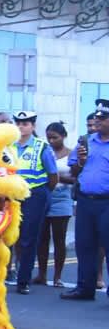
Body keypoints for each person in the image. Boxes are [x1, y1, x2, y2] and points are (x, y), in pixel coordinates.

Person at [63, 99, 109, 301]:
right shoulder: (85, 141)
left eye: (103, 118)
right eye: (96, 117)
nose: (97, 121)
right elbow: (73, 171)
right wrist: (80, 162)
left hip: (107, 202)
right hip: (85, 201)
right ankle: (84, 288)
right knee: (84, 245)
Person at [11, 111, 58, 295]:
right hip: (12, 195)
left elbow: (53, 175)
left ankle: (23, 280)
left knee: (28, 239)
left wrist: (44, 194)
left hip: (34, 195)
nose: (21, 127)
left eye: (25, 124)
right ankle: (5, 274)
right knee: (9, 237)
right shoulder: (8, 145)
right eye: (18, 123)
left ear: (33, 126)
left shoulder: (42, 147)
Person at [35, 122, 74, 287]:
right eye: (49, 138)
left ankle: (57, 277)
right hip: (44, 195)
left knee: (59, 238)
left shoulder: (71, 154)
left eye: (55, 138)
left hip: (62, 196)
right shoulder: (45, 151)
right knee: (42, 238)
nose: (51, 141)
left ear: (63, 136)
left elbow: (75, 178)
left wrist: (55, 176)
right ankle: (42, 274)